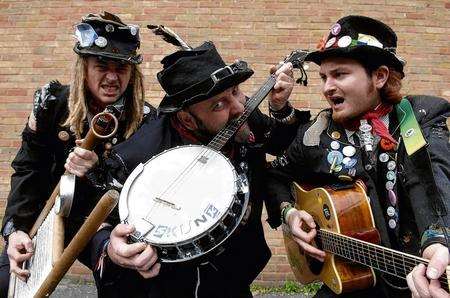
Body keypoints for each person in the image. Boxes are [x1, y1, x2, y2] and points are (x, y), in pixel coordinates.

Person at [86, 41, 311, 297]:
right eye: (218, 105)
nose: (238, 107)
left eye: (236, 91)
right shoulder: (136, 155)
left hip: (233, 282)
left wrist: (280, 108)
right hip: (162, 288)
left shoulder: (240, 115)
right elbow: (96, 225)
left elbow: (284, 145)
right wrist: (111, 248)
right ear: (186, 118)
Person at [266, 15, 450, 298]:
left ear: (379, 76)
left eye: (339, 74)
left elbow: (432, 181)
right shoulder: (318, 132)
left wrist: (438, 241)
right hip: (349, 283)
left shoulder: (418, 119)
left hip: (413, 283)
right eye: (323, 77)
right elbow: (275, 175)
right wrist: (290, 215)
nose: (327, 87)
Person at [0, 11, 154, 296]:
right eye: (102, 66)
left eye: (121, 68)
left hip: (102, 224)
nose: (112, 77)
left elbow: (139, 194)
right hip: (48, 216)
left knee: (126, 282)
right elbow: (28, 169)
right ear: (84, 67)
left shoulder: (145, 121)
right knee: (7, 281)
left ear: (132, 72)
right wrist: (16, 229)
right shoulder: (50, 104)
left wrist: (98, 171)